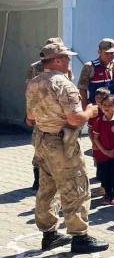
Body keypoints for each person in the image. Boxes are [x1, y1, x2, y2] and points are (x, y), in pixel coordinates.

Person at [25, 41, 108, 253]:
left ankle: (49, 234)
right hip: (62, 144)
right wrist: (89, 112)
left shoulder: (33, 83)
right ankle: (79, 237)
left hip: (42, 141)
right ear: (57, 60)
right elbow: (74, 119)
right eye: (67, 58)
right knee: (76, 186)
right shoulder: (62, 84)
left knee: (47, 187)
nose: (69, 61)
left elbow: (30, 118)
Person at [26, 37, 74, 191]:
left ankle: (50, 178)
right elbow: (30, 91)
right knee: (39, 145)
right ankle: (38, 177)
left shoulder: (65, 69)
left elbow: (68, 86)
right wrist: (30, 113)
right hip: (41, 112)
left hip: (57, 112)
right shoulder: (34, 67)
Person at [78, 39, 114, 116]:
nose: (109, 56)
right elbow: (82, 88)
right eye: (106, 53)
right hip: (98, 109)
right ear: (99, 52)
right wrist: (85, 108)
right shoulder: (89, 67)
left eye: (112, 53)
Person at [92, 94, 114, 205]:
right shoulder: (98, 121)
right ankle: (107, 194)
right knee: (105, 175)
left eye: (110, 105)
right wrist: (104, 151)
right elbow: (96, 138)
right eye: (104, 105)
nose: (107, 107)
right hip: (103, 155)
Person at [89, 87, 110, 199]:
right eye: (97, 98)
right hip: (98, 146)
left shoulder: (111, 111)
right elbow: (90, 129)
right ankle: (103, 187)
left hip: (110, 145)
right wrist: (93, 142)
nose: (100, 100)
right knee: (100, 166)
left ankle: (111, 188)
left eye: (102, 98)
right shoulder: (93, 113)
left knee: (111, 166)